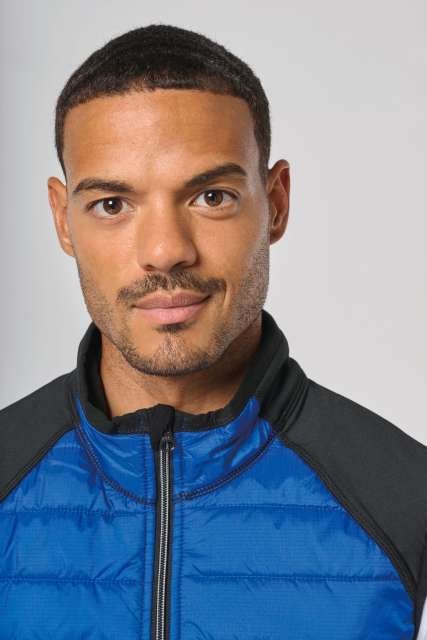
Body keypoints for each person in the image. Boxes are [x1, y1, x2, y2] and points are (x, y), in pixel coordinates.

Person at [0, 23, 426, 640]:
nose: (165, 251)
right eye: (112, 205)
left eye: (212, 196)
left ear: (275, 202)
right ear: (63, 221)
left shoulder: (404, 498)